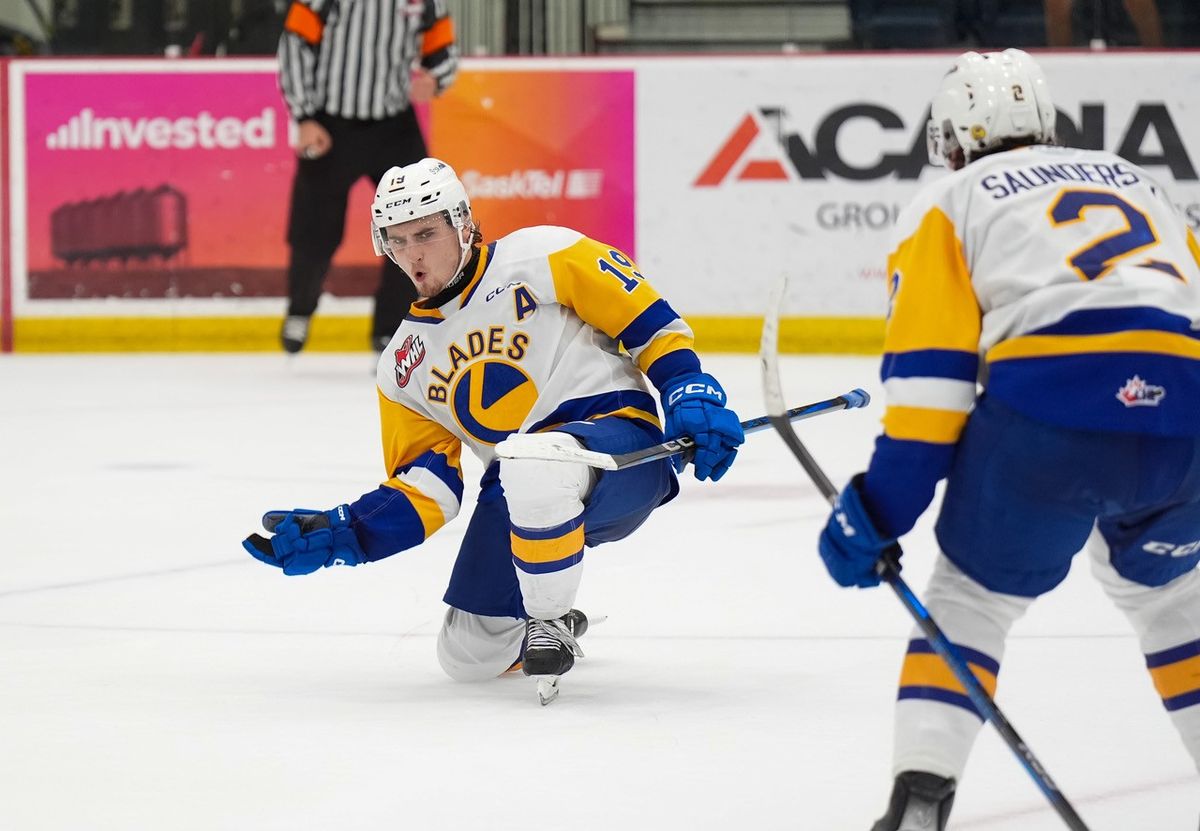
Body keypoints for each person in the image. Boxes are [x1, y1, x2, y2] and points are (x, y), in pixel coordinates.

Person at [817, 49, 1200, 829]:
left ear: (954, 136)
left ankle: (921, 801)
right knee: (1174, 599)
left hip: (1052, 417)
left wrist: (880, 507)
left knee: (971, 598)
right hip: (1188, 423)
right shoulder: (1143, 183)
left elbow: (931, 391)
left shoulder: (950, 200)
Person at [243, 157, 745, 702]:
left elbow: (647, 321)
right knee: (468, 655)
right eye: (397, 239)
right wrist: (347, 532)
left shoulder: (542, 255)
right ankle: (554, 607)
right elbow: (428, 489)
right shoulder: (402, 366)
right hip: (519, 490)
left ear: (462, 223)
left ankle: (547, 621)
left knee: (531, 462)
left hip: (617, 452)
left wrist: (687, 389)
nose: (412, 255)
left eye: (426, 234)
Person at [276, 0, 459, 354]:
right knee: (315, 229)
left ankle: (392, 326)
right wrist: (305, 116)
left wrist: (437, 78)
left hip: (394, 124)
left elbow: (442, 48)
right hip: (330, 122)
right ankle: (300, 308)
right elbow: (295, 44)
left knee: (415, 223)